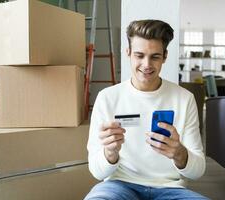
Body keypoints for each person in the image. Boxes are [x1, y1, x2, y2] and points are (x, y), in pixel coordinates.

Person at [84, 19, 208, 200]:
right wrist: (110, 153)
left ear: (165, 56)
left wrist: (179, 153)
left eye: (155, 57)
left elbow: (198, 171)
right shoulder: (107, 98)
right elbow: (97, 171)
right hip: (119, 186)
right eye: (139, 55)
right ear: (128, 53)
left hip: (171, 190)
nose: (147, 64)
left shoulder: (184, 99)